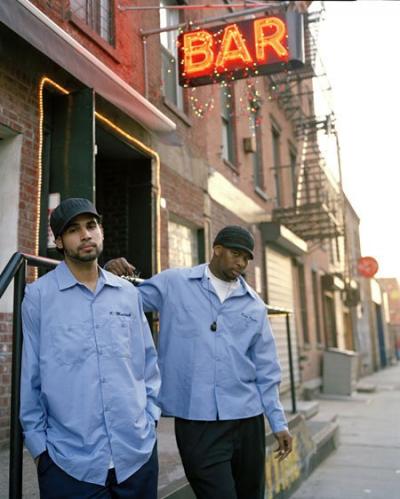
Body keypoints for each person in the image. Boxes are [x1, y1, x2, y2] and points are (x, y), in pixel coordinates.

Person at [106, 225, 293, 499]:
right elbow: (126, 302)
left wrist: (278, 423)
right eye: (236, 254)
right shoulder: (174, 283)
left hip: (247, 419)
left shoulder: (254, 305)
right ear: (217, 249)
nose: (241, 263)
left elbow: (267, 370)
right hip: (196, 420)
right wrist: (108, 275)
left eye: (246, 258)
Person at [20, 198, 161, 499]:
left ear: (101, 232)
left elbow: (148, 364)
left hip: (136, 456)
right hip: (69, 465)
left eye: (91, 226)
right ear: (59, 241)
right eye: (73, 229)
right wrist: (39, 449)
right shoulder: (38, 297)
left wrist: (151, 419)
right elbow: (29, 377)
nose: (85, 235)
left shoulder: (128, 294)